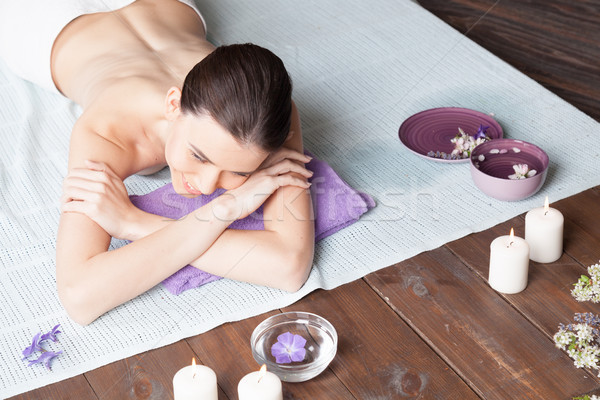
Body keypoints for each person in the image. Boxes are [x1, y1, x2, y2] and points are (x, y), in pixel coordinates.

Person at [0, 0, 315, 325]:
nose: (206, 186)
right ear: (174, 104)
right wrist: (229, 204)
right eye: (198, 155)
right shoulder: (105, 132)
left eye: (239, 172)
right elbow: (79, 295)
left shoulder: (260, 115)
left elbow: (289, 267)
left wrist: (135, 223)